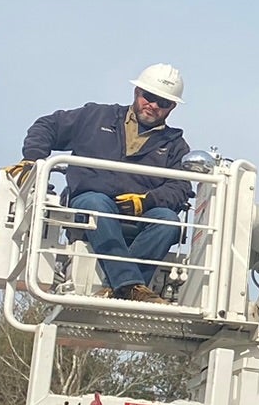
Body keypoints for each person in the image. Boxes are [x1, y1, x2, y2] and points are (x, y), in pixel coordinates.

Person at [15, 63, 191, 302]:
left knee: (169, 221)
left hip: (140, 217)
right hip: (90, 206)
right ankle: (131, 287)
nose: (153, 106)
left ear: (171, 108)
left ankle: (116, 287)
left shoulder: (174, 145)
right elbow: (48, 125)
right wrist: (32, 159)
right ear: (137, 92)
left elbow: (180, 187)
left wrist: (146, 201)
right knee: (97, 203)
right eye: (149, 97)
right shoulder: (96, 117)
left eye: (163, 103)